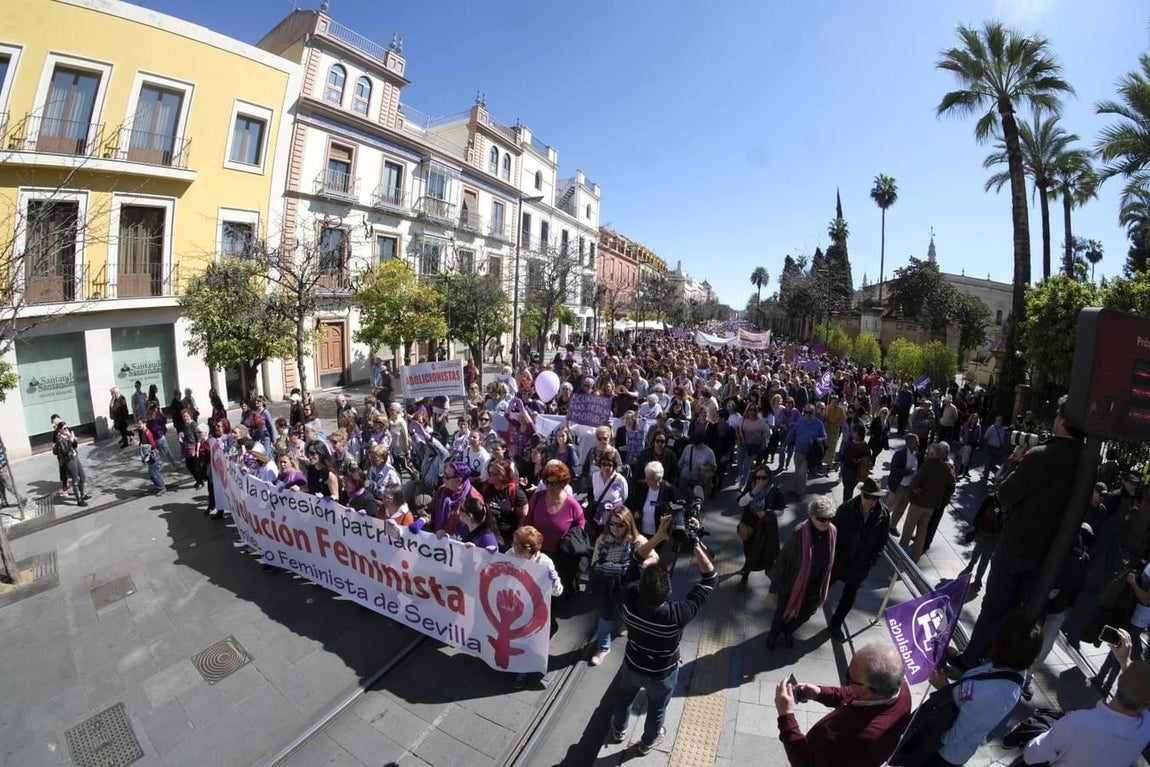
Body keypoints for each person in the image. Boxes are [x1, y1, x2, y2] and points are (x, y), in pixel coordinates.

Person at [953, 396, 1085, 671]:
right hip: (1046, 557)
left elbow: (1005, 493)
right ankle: (994, 664)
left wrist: (1019, 462)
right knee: (1017, 615)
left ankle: (970, 659)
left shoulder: (1042, 456)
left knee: (993, 608)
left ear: (1061, 422)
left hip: (1015, 546)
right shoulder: (1085, 465)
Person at [608, 515, 717, 755]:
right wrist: (694, 542)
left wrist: (658, 535)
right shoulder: (678, 614)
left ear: (640, 587)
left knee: (624, 698)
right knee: (657, 709)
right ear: (668, 592)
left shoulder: (629, 600)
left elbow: (636, 560)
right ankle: (646, 743)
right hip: (662, 673)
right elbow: (710, 578)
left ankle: (618, 729)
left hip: (633, 665)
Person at [1024, 628, 1150, 766]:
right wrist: (1125, 661)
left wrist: (1125, 661)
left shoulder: (1079, 722)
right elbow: (1139, 690)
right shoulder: (1145, 730)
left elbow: (1031, 756)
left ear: (1119, 680)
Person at [928, 613, 1040, 766]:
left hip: (943, 754)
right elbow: (978, 691)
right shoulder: (1010, 668)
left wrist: (944, 689)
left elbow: (952, 735)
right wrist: (962, 678)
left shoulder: (996, 695)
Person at [775, 642, 912, 767]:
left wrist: (785, 716)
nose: (847, 681)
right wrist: (819, 693)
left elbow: (805, 763)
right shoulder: (896, 686)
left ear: (869, 690)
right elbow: (853, 694)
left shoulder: (859, 738)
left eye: (849, 677)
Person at [588, 508, 658, 666]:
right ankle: (603, 648)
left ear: (628, 524)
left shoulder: (637, 541)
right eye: (612, 524)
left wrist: (642, 565)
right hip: (607, 587)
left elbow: (655, 557)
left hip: (629, 587)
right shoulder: (603, 539)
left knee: (627, 613)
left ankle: (623, 625)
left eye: (620, 525)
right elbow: (594, 562)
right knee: (605, 617)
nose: (615, 528)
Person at [766, 496, 838, 648]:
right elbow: (782, 560)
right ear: (812, 516)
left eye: (829, 518)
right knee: (781, 613)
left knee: (806, 613)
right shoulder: (799, 533)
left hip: (815, 583)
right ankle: (773, 634)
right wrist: (773, 590)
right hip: (792, 582)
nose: (826, 523)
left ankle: (788, 630)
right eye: (821, 519)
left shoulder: (832, 531)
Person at [828, 477, 891, 640]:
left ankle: (836, 624)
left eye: (875, 498)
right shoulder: (847, 508)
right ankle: (799, 613)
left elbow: (882, 540)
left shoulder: (883, 515)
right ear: (862, 494)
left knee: (849, 597)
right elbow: (832, 532)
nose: (871, 501)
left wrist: (872, 560)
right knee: (821, 587)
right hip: (840, 560)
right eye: (867, 496)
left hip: (860, 565)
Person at [524, 460, 586, 597]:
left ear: (562, 483)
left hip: (561, 555)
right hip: (538, 552)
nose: (550, 487)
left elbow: (580, 527)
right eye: (547, 482)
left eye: (554, 483)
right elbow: (527, 521)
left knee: (556, 591)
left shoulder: (572, 505)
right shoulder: (537, 497)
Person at [899, 442, 955, 562]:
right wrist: (940, 498)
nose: (925, 454)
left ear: (932, 454)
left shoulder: (927, 466)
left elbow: (914, 483)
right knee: (922, 533)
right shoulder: (946, 468)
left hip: (918, 504)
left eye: (928, 452)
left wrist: (915, 491)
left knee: (907, 531)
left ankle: (900, 557)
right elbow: (952, 487)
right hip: (931, 507)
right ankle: (915, 558)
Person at [736, 463, 785, 592]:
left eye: (764, 478)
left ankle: (749, 576)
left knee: (762, 553)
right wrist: (753, 493)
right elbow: (741, 503)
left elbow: (781, 510)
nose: (761, 480)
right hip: (749, 527)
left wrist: (767, 513)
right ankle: (747, 569)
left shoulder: (774, 491)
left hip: (765, 529)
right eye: (758, 477)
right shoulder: (750, 487)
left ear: (769, 478)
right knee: (748, 551)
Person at [782, 404, 827, 499]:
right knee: (797, 472)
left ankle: (800, 493)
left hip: (808, 454)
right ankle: (796, 489)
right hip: (798, 452)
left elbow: (825, 437)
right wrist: (785, 443)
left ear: (814, 413)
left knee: (802, 474)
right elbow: (792, 433)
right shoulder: (800, 421)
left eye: (810, 412)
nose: (808, 414)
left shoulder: (818, 424)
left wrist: (816, 440)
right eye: (806, 412)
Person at [589, 447, 629, 530]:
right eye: (603, 464)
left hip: (615, 516)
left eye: (609, 465)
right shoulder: (595, 476)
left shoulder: (620, 479)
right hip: (599, 514)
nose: (606, 467)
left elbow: (624, 496)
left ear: (614, 465)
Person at [54, 421, 89, 506]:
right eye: (64, 428)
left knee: (83, 477)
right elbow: (65, 451)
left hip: (75, 457)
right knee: (75, 481)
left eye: (67, 427)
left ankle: (82, 494)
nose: (66, 429)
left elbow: (74, 446)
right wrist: (70, 441)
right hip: (69, 460)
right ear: (60, 430)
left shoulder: (67, 436)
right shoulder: (59, 439)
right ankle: (79, 500)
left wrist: (74, 440)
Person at [135, 416, 165, 496]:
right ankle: (161, 486)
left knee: (152, 473)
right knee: (156, 471)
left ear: (144, 423)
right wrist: (139, 444)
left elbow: (153, 445)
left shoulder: (148, 433)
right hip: (150, 455)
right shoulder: (142, 432)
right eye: (138, 424)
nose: (139, 425)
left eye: (140, 424)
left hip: (152, 455)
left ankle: (161, 488)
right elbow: (144, 443)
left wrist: (144, 446)